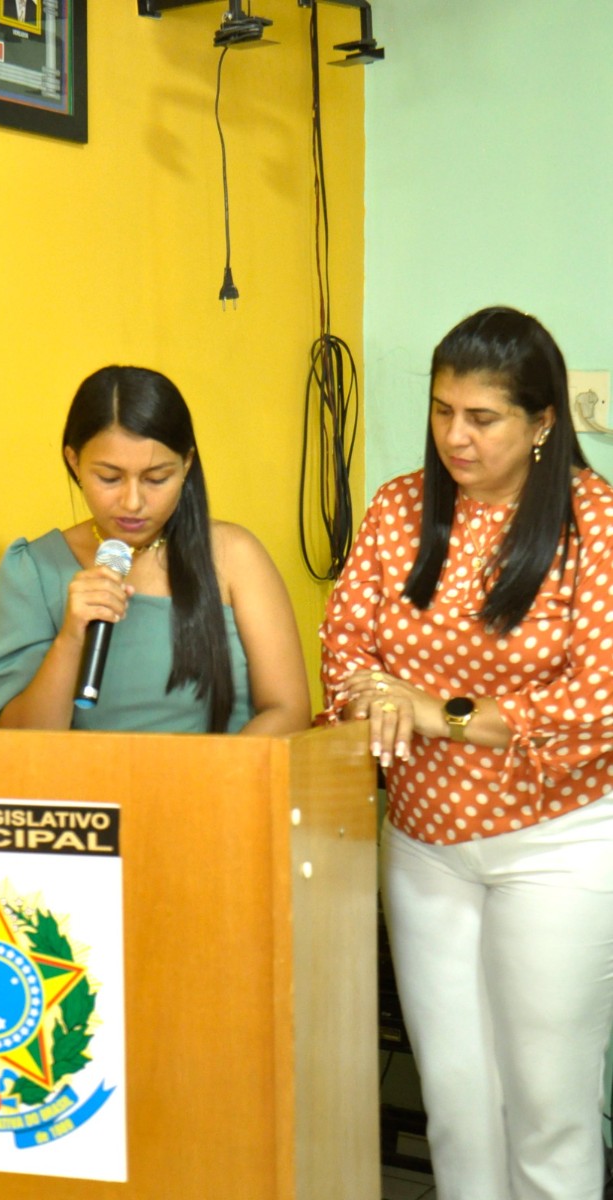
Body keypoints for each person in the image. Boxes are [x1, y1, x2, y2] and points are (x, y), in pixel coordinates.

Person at [319, 306, 613, 1200]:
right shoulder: (399, 508)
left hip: (555, 844)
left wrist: (438, 712)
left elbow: (596, 704)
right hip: (422, 844)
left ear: (542, 422)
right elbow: (345, 652)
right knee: (454, 1099)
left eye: (481, 417)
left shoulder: (591, 522)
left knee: (547, 1107)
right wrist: (374, 696)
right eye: (443, 411)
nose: (455, 436)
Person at [0, 364, 311, 736]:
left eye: (156, 479)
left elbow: (288, 711)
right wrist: (71, 637)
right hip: (88, 792)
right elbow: (20, 743)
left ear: (186, 463)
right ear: (74, 461)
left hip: (220, 786)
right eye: (110, 478)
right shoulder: (34, 571)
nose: (133, 502)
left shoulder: (235, 557)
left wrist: (209, 783)